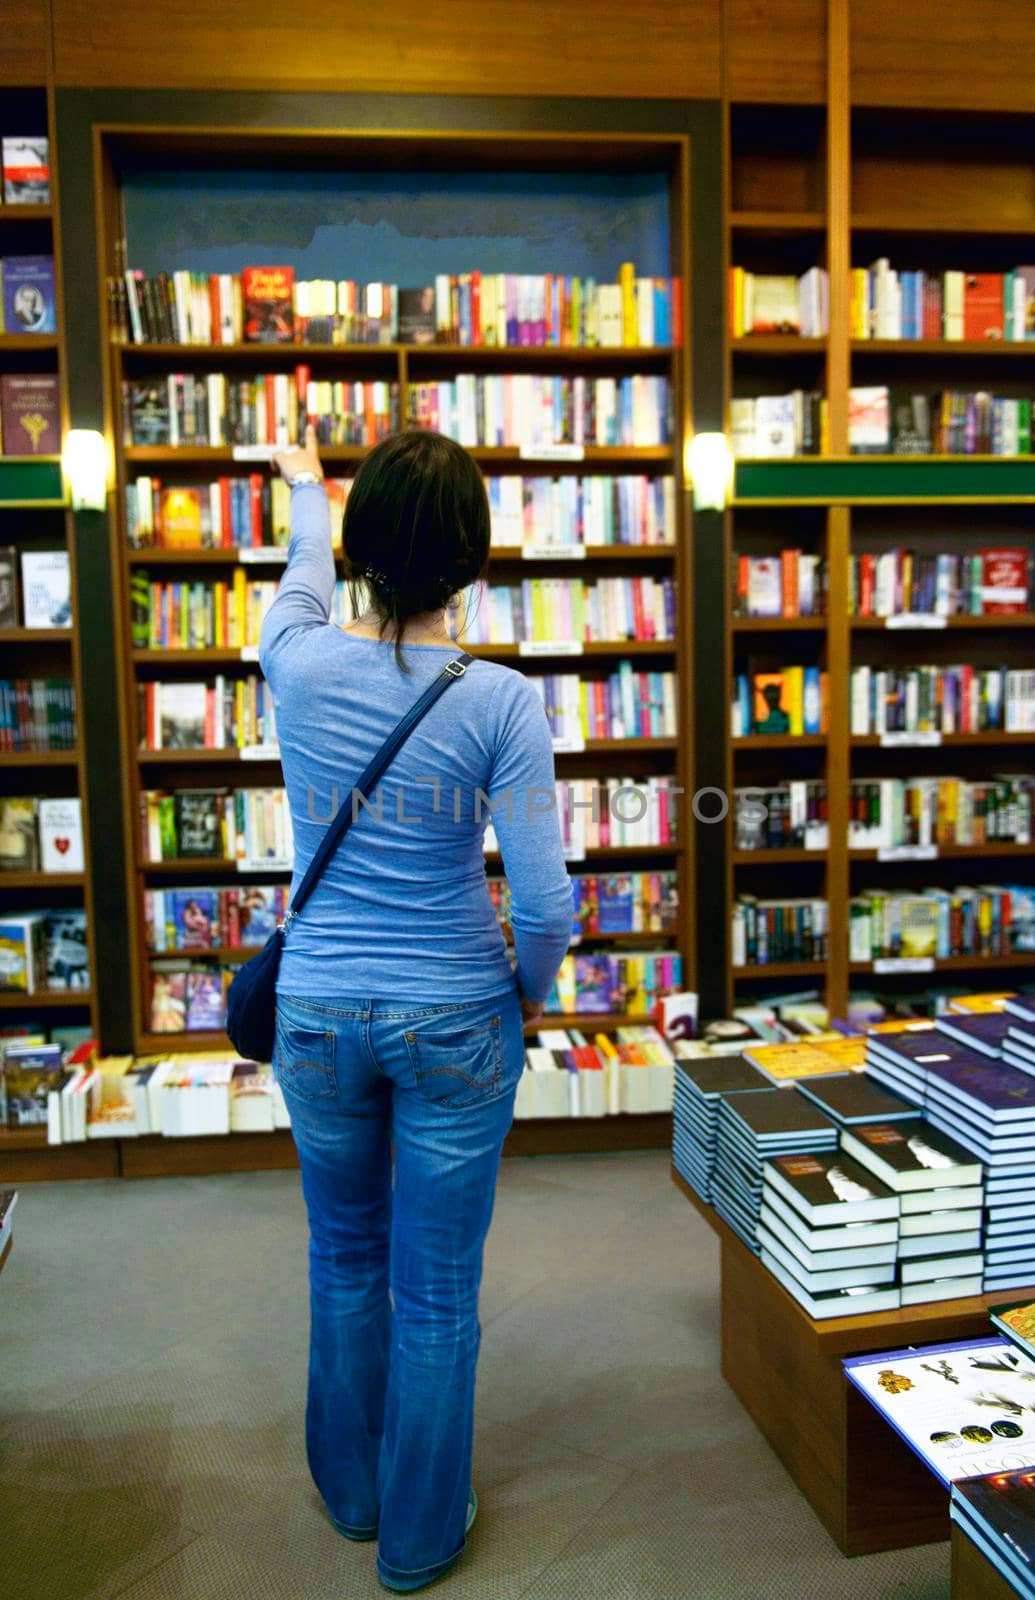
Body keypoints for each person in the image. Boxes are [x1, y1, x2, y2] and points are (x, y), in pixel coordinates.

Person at [259, 426, 574, 1593]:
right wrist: (520, 1001)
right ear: (474, 562)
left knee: (342, 1255)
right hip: (457, 1015)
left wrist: (303, 488)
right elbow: (544, 905)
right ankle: (419, 1537)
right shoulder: (501, 699)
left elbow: (298, 577)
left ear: (358, 552)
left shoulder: (293, 657)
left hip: (320, 1006)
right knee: (435, 1287)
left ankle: (348, 1494)